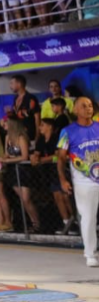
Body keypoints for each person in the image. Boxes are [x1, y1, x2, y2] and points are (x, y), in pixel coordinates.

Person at [58, 95, 99, 267]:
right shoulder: (67, 132)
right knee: (88, 217)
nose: (88, 108)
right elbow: (61, 158)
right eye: (83, 106)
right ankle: (90, 253)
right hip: (84, 181)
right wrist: (63, 180)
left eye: (90, 105)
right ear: (75, 110)